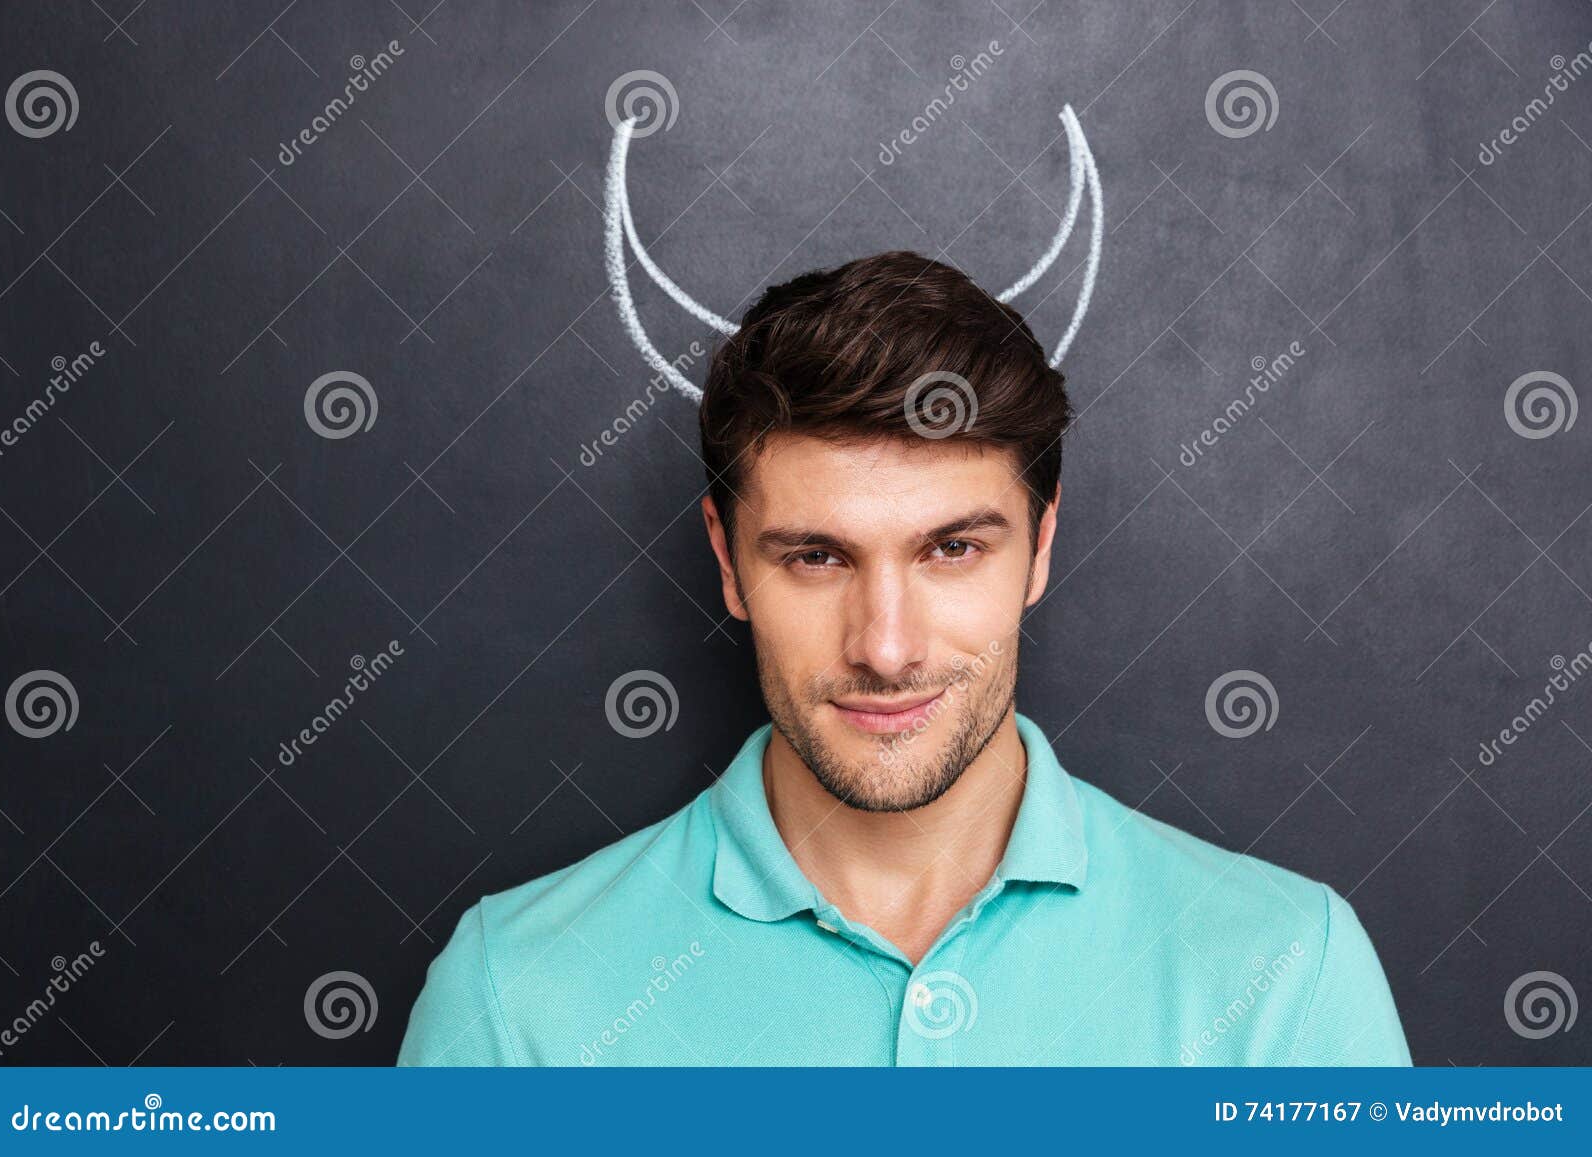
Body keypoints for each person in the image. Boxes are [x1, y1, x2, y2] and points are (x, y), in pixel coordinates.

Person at [398, 250, 1412, 1066]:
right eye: (815, 556)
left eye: (951, 548)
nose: (885, 646)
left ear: (1039, 548)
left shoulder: (1284, 971)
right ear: (728, 562)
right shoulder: (517, 995)